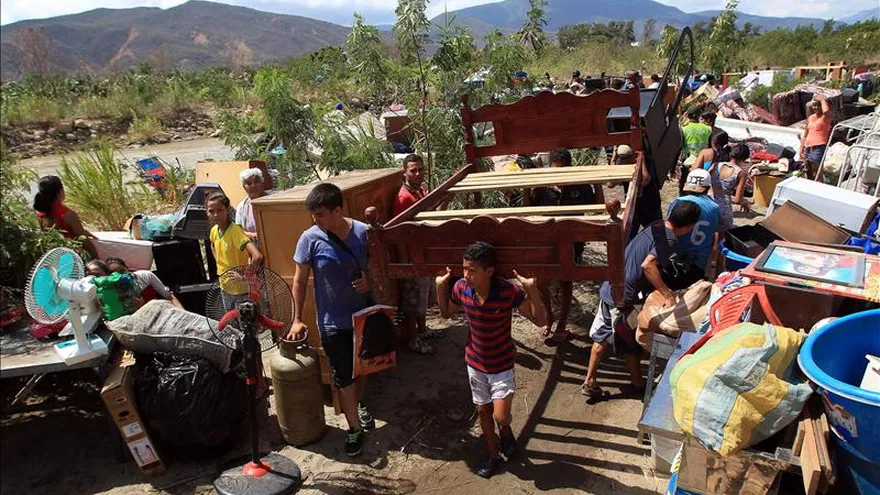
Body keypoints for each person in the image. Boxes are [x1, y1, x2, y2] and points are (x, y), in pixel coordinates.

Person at [435, 242, 547, 478]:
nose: (466, 275)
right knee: (483, 410)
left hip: (502, 364)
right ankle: (493, 455)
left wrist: (532, 291)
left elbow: (540, 321)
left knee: (500, 416)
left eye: (472, 270)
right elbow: (446, 314)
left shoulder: (507, 291)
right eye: (464, 269)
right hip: (475, 363)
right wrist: (439, 286)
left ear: (489, 271)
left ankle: (504, 430)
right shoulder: (461, 288)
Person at [286, 183, 375, 457]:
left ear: (338, 210)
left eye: (321, 214)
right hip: (332, 322)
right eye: (314, 215)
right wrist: (296, 319)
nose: (316, 220)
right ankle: (354, 428)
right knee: (343, 376)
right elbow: (299, 281)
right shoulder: (309, 239)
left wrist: (370, 281)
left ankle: (358, 404)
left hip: (363, 317)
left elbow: (380, 268)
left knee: (362, 369)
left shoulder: (364, 232)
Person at [581, 201, 701, 401]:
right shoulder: (670, 240)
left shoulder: (656, 225)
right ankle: (636, 383)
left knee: (603, 334)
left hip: (611, 285)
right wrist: (667, 294)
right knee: (629, 340)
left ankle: (591, 380)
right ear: (689, 226)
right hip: (625, 297)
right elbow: (648, 265)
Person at [534, 148, 603, 344]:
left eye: (562, 170)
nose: (559, 176)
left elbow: (598, 208)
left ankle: (562, 324)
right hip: (547, 242)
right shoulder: (542, 188)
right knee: (541, 282)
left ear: (570, 168)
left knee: (566, 281)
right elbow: (529, 208)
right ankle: (549, 316)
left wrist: (597, 181)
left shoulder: (580, 186)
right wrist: (526, 187)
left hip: (572, 243)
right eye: (555, 170)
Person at [393, 154, 442, 355]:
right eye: (413, 170)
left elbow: (431, 217)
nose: (418, 174)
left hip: (423, 253)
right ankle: (412, 339)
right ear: (404, 172)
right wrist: (405, 263)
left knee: (422, 297)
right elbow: (399, 231)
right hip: (412, 256)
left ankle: (422, 330)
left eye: (421, 169)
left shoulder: (421, 191)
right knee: (412, 300)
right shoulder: (404, 197)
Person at [667, 169, 722, 281]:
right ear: (707, 188)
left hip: (675, 260)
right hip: (699, 264)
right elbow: (715, 234)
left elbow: (669, 229)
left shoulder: (677, 202)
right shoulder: (715, 208)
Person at [33, 175, 98, 257]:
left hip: (52, 257)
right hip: (71, 257)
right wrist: (97, 259)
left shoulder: (39, 215)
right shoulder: (68, 214)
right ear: (60, 192)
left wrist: (83, 231)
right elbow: (85, 241)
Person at [693, 132, 734, 232]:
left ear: (712, 141)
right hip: (723, 199)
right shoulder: (729, 156)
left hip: (704, 191)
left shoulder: (705, 152)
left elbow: (695, 170)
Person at [105, 257, 180, 306]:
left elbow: (169, 296)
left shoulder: (145, 276)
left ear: (127, 268)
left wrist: (182, 311)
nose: (120, 276)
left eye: (122, 271)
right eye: (114, 274)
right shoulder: (109, 290)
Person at [678, 108, 712, 195]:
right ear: (699, 116)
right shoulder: (707, 128)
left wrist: (673, 166)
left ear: (688, 115)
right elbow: (710, 147)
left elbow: (679, 147)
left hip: (688, 163)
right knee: (700, 186)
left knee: (685, 185)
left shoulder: (684, 128)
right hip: (703, 163)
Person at [800, 96, 831, 182]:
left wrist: (822, 99)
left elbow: (826, 111)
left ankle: (819, 185)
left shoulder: (825, 117)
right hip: (807, 148)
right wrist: (801, 149)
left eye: (818, 105)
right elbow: (805, 135)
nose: (816, 107)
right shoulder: (810, 118)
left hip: (818, 147)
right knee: (808, 170)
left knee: (817, 171)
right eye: (814, 105)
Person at [235, 168, 270, 241]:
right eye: (249, 183)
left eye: (256, 182)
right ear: (244, 187)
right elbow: (238, 231)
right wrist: (251, 235)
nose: (253, 185)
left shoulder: (272, 201)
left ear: (262, 183)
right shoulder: (242, 207)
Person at [718, 144, 752, 214]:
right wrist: (744, 202)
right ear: (745, 159)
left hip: (708, 201)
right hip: (724, 207)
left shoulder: (717, 165)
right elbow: (737, 200)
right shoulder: (741, 173)